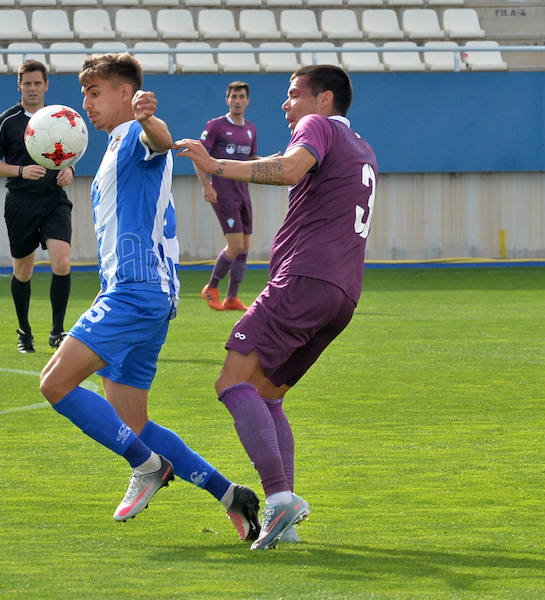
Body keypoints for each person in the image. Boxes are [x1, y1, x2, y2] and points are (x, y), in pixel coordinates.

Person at [38, 52, 261, 540]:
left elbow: (160, 139)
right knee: (131, 421)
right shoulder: (115, 148)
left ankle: (148, 467)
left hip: (135, 293)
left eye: (95, 94)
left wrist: (149, 118)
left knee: (54, 384)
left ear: (125, 93)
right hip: (146, 295)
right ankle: (232, 495)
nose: (86, 105)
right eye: (83, 96)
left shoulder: (137, 136)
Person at [175, 65, 379, 550]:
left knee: (231, 382)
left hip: (304, 281)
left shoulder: (318, 127)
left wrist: (215, 164)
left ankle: (278, 498)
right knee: (268, 396)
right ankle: (282, 507)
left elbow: (289, 168)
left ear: (324, 100)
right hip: (343, 294)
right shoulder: (362, 147)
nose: (285, 105)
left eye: (293, 95)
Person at [0, 60, 74, 354]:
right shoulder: (7, 121)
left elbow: (72, 152)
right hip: (20, 202)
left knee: (62, 262)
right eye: (27, 83)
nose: (32, 88)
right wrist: (20, 171)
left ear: (46, 85)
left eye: (38, 83)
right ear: (19, 86)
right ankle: (25, 332)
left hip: (54, 200)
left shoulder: (61, 118)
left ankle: (58, 331)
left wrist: (70, 171)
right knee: (23, 270)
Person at [196, 82, 260, 313]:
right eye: (233, 96)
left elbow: (250, 159)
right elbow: (199, 156)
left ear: (247, 100)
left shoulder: (251, 128)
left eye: (241, 96)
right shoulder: (216, 126)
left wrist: (268, 161)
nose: (237, 100)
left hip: (243, 192)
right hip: (223, 192)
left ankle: (232, 298)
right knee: (235, 245)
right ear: (227, 100)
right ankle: (211, 288)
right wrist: (206, 185)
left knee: (244, 247)